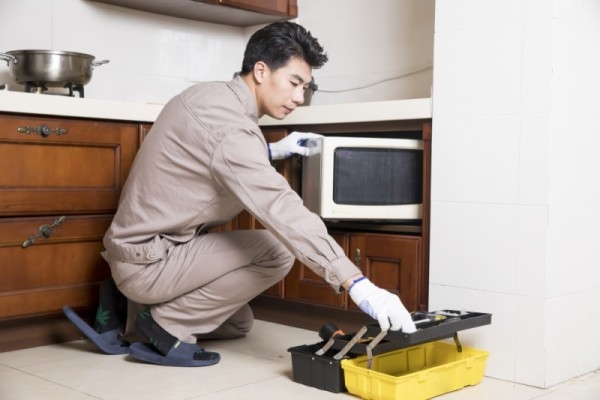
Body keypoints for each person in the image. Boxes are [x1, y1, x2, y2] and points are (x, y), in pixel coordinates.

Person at [63, 21, 416, 367]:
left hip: (144, 250)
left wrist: (272, 150)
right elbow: (280, 207)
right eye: (294, 83)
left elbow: (208, 156)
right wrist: (358, 284)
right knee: (277, 251)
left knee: (239, 322)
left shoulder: (208, 96)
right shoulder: (232, 129)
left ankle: (127, 311)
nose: (299, 97)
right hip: (148, 261)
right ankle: (164, 328)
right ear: (261, 71)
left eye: (305, 87)